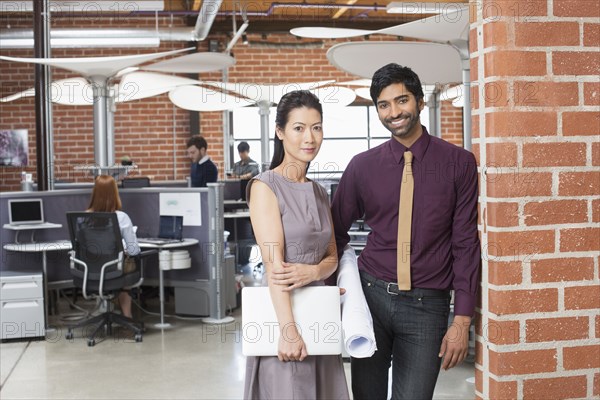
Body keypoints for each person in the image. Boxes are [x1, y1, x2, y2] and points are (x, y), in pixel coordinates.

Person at [331, 63, 481, 399]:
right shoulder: (362, 166)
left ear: (420, 102)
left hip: (427, 305)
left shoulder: (459, 163)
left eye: (402, 101)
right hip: (370, 299)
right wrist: (326, 289)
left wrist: (462, 320)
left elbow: (466, 244)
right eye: (384, 105)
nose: (394, 112)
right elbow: (335, 232)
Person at [243, 90, 349, 399]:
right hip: (287, 317)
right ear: (280, 132)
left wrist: (313, 272)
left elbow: (332, 256)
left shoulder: (318, 191)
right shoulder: (265, 187)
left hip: (320, 315)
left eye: (316, 127)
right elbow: (276, 267)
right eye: (299, 128)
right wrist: (289, 332)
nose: (310, 137)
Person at [87, 175, 141, 319]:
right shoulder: (121, 217)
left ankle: (109, 313)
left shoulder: (84, 217)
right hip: (114, 270)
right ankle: (127, 317)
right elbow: (134, 250)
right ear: (114, 194)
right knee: (126, 268)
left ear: (94, 193)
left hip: (90, 271)